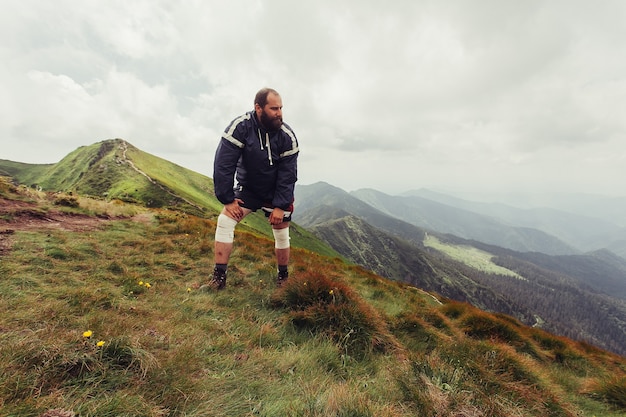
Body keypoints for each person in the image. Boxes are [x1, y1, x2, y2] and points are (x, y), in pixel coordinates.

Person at [206, 87, 299, 290]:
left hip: (276, 192)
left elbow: (288, 175)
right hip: (249, 189)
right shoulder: (240, 127)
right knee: (225, 221)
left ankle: (283, 279)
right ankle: (218, 279)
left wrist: (280, 206)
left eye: (281, 108)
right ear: (258, 108)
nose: (279, 113)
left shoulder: (287, 136)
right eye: (274, 108)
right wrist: (227, 199)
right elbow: (223, 163)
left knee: (281, 231)